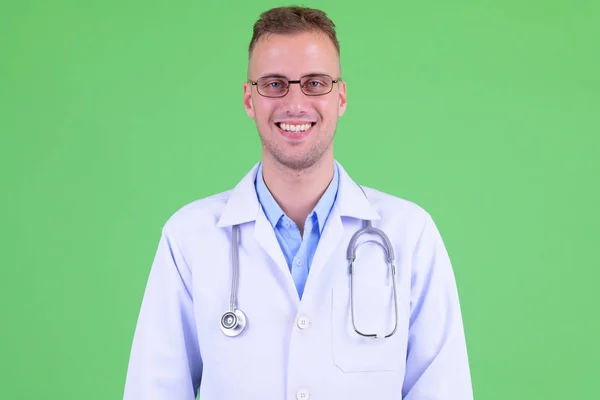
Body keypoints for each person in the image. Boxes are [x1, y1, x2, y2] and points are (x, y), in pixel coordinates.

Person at [123, 5, 473, 400]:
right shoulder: (188, 238)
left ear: (340, 97)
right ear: (248, 99)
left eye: (314, 83)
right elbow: (154, 390)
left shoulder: (410, 235)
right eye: (273, 84)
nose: (294, 102)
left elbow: (444, 389)